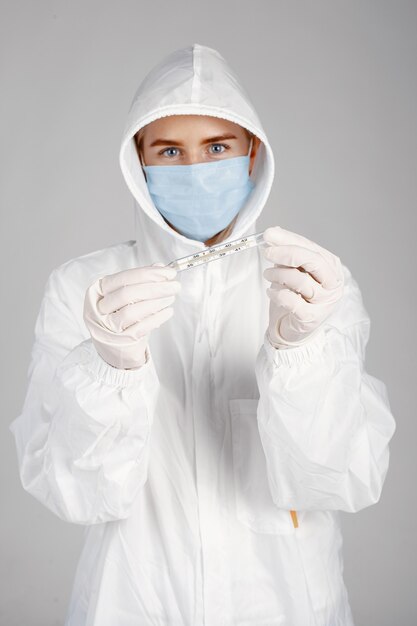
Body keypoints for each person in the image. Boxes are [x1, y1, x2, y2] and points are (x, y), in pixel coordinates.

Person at [9, 43, 396, 626]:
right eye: (169, 150)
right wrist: (109, 369)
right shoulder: (87, 290)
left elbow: (340, 479)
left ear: (251, 154)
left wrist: (300, 354)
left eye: (217, 147)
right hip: (131, 603)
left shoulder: (310, 287)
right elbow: (73, 493)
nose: (194, 169)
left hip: (284, 604)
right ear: (138, 163)